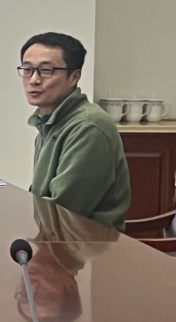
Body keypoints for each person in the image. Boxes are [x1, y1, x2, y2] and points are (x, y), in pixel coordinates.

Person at [20, 32, 131, 232]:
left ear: (74, 77)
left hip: (86, 246)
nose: (34, 80)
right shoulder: (48, 120)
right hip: (56, 240)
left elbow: (63, 211)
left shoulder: (88, 126)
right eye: (27, 70)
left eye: (46, 70)